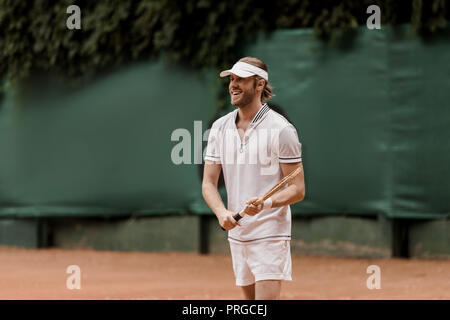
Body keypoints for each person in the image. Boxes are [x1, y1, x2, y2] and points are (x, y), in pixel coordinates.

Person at [202, 57, 305, 300]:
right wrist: (221, 213)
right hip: (237, 234)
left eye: (241, 80)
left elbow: (298, 189)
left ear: (259, 85)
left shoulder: (282, 130)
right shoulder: (219, 128)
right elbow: (208, 183)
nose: (233, 85)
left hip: (270, 232)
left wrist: (266, 204)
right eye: (232, 79)